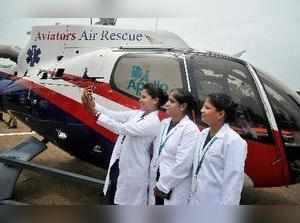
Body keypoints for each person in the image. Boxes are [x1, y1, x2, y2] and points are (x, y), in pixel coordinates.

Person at [81, 83, 168, 205]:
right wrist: (92, 102)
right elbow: (113, 114)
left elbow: (123, 129)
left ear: (155, 100)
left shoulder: (153, 123)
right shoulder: (139, 114)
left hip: (133, 171)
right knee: (112, 197)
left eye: (144, 97)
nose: (140, 100)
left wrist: (96, 113)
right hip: (121, 164)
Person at [188, 93, 247, 205]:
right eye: (203, 106)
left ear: (220, 114)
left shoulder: (233, 141)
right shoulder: (203, 134)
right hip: (196, 200)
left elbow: (233, 184)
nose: (202, 110)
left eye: (207, 108)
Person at [149, 88, 199, 205]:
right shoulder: (165, 123)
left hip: (173, 186)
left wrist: (163, 185)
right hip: (157, 179)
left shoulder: (190, 130)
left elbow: (183, 165)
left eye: (171, 101)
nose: (166, 104)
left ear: (182, 107)